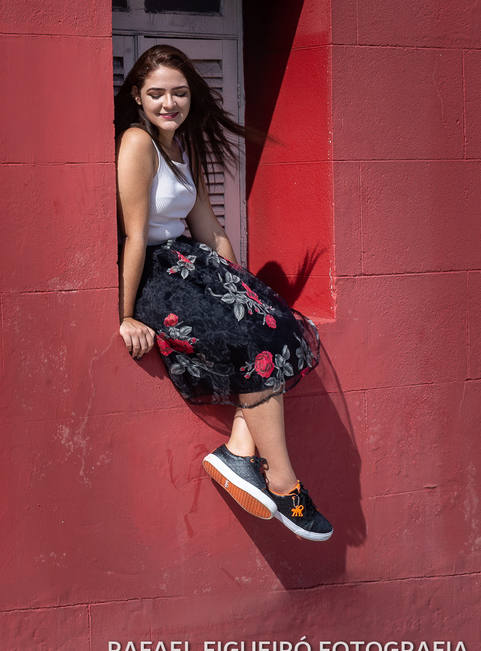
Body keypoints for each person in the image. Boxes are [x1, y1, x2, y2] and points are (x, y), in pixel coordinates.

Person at [115, 44, 331, 542]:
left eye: (179, 93)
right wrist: (126, 315)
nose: (169, 103)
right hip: (156, 275)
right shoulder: (136, 143)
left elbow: (208, 225)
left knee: (273, 324)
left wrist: (244, 287)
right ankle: (283, 483)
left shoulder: (180, 147)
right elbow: (133, 235)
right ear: (137, 96)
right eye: (156, 94)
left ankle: (238, 451)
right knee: (254, 340)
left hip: (192, 264)